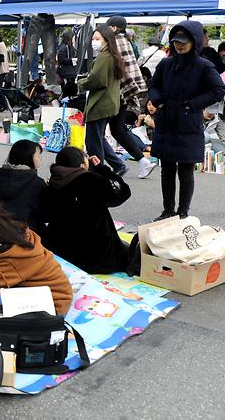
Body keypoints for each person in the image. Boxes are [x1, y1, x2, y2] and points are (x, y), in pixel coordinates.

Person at [149, 21, 225, 220]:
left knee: (185, 171)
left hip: (187, 124)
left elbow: (218, 90)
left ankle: (183, 213)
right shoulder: (166, 63)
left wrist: (193, 104)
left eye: (184, 41)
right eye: (176, 41)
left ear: (195, 41)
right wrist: (157, 100)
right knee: (166, 170)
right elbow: (154, 85)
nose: (179, 45)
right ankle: (168, 210)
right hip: (165, 123)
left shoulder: (204, 66)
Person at [42, 146, 133, 274]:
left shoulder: (53, 182)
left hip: (62, 252)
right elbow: (123, 192)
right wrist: (102, 169)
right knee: (131, 252)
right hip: (95, 255)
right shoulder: (90, 180)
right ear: (82, 166)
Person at [106, 15, 155, 179]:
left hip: (115, 94)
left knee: (97, 133)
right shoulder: (127, 42)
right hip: (126, 95)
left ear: (113, 28)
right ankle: (143, 161)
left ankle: (114, 165)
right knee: (118, 131)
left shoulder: (115, 42)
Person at [78, 23, 125, 172]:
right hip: (108, 103)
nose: (94, 42)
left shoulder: (104, 57)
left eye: (97, 39)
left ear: (106, 39)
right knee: (98, 139)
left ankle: (97, 172)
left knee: (93, 142)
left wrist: (81, 83)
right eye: (93, 39)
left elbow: (97, 79)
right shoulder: (113, 56)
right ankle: (118, 165)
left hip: (100, 104)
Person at [0, 140, 46, 235]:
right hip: (28, 234)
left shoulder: (3, 177)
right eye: (38, 155)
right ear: (28, 157)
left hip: (2, 231)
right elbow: (45, 215)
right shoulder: (37, 183)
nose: (40, 159)